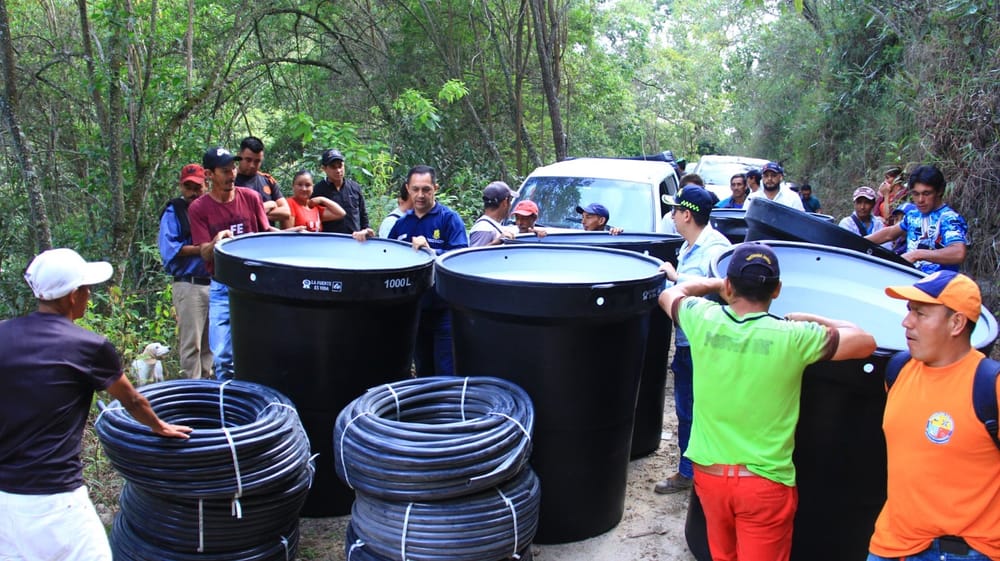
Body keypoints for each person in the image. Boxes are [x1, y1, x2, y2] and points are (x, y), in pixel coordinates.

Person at [657, 242, 876, 561]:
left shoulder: (703, 319)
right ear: (777, 290)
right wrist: (808, 317)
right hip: (764, 485)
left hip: (710, 477)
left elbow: (671, 294)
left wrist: (716, 284)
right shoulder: (794, 336)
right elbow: (865, 341)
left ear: (730, 286)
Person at [0, 248, 191, 561]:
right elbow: (131, 398)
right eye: (87, 289)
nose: (90, 295)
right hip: (57, 499)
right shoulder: (88, 346)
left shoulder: (3, 334)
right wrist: (160, 426)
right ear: (73, 296)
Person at [867, 271, 999, 561]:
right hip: (890, 545)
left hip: (964, 552)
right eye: (909, 311)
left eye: (921, 314)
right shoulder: (898, 370)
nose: (906, 322)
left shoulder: (990, 386)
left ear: (956, 323)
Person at [653, 186, 732, 494]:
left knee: (696, 411)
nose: (671, 215)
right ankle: (693, 470)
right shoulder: (691, 245)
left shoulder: (714, 249)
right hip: (688, 341)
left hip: (706, 346)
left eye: (674, 210)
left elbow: (727, 289)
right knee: (688, 410)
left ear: (687, 215)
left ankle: (694, 474)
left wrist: (678, 279)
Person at [357, 165, 468, 375]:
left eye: (426, 189)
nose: (420, 195)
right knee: (422, 370)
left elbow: (461, 258)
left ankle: (447, 408)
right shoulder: (402, 224)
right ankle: (426, 408)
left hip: (444, 309)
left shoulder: (448, 219)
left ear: (435, 188)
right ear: (407, 189)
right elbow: (386, 258)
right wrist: (368, 242)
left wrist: (431, 250)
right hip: (413, 309)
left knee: (446, 371)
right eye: (415, 189)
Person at [188, 146, 280, 380]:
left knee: (263, 348)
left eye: (233, 169)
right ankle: (228, 408)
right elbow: (204, 253)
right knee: (223, 356)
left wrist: (292, 235)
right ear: (209, 175)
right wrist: (217, 241)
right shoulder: (199, 208)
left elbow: (265, 233)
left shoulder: (250, 197)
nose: (232, 175)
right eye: (225, 171)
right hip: (222, 285)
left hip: (255, 285)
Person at [157, 163, 213, 379]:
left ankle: (208, 391)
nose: (193, 192)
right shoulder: (175, 211)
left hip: (213, 283)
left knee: (210, 345)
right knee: (193, 344)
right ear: (181, 187)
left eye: (197, 187)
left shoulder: (211, 208)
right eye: (188, 187)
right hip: (189, 284)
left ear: (206, 185)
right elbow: (170, 248)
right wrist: (203, 249)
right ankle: (192, 390)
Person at [865, 165, 968, 274]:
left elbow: (958, 253)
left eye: (926, 193)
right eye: (915, 194)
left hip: (938, 284)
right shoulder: (913, 215)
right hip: (910, 280)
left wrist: (917, 254)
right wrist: (857, 240)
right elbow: (889, 233)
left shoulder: (949, 218)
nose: (920, 200)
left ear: (939, 191)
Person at [313, 149, 372, 238]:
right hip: (329, 242)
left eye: (340, 166)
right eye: (333, 167)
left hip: (354, 241)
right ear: (324, 169)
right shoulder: (318, 190)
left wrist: (365, 230)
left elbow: (363, 215)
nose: (338, 170)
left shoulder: (354, 187)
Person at [234, 136, 290, 228]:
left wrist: (253, 215)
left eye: (257, 161)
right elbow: (233, 215)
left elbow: (286, 212)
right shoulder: (230, 181)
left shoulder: (267, 180)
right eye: (248, 160)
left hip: (267, 238)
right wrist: (268, 206)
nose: (252, 165)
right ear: (239, 155)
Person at [469, 181, 517, 247]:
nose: (510, 205)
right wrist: (496, 242)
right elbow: (473, 256)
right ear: (505, 203)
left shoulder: (492, 226)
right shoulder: (484, 228)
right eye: (510, 201)